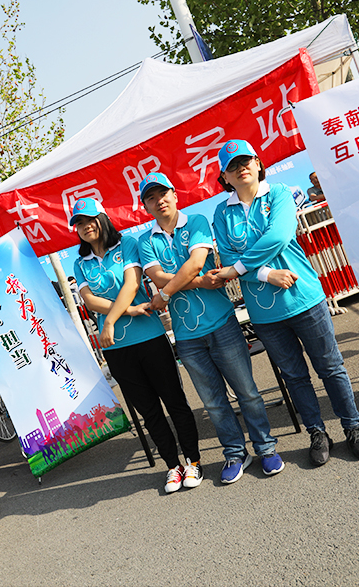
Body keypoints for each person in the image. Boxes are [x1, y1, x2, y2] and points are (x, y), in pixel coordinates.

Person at [212, 139, 359, 467]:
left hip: (304, 299)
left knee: (330, 367)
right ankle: (317, 433)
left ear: (258, 163)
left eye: (246, 160)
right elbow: (226, 258)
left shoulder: (278, 194)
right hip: (265, 313)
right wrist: (267, 274)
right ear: (225, 177)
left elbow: (279, 235)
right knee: (294, 376)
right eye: (232, 166)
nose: (241, 168)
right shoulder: (222, 212)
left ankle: (352, 427)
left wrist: (239, 269)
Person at [137, 171, 284, 484]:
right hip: (186, 336)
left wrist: (167, 292)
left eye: (163, 193)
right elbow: (159, 276)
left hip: (222, 323)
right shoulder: (144, 241)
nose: (159, 201)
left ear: (174, 194)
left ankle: (266, 448)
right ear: (145, 206)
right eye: (151, 197)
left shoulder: (197, 222)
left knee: (247, 392)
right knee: (214, 403)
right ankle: (235, 453)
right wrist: (196, 283)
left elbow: (194, 263)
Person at [70, 197, 203, 493]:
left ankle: (193, 460)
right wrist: (127, 311)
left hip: (149, 338)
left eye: (90, 220)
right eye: (79, 223)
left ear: (103, 219)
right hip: (116, 349)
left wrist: (109, 322)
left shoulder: (127, 245)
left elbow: (131, 284)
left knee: (174, 401)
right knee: (149, 411)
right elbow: (89, 300)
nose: (85, 226)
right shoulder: (80, 263)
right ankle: (173, 466)